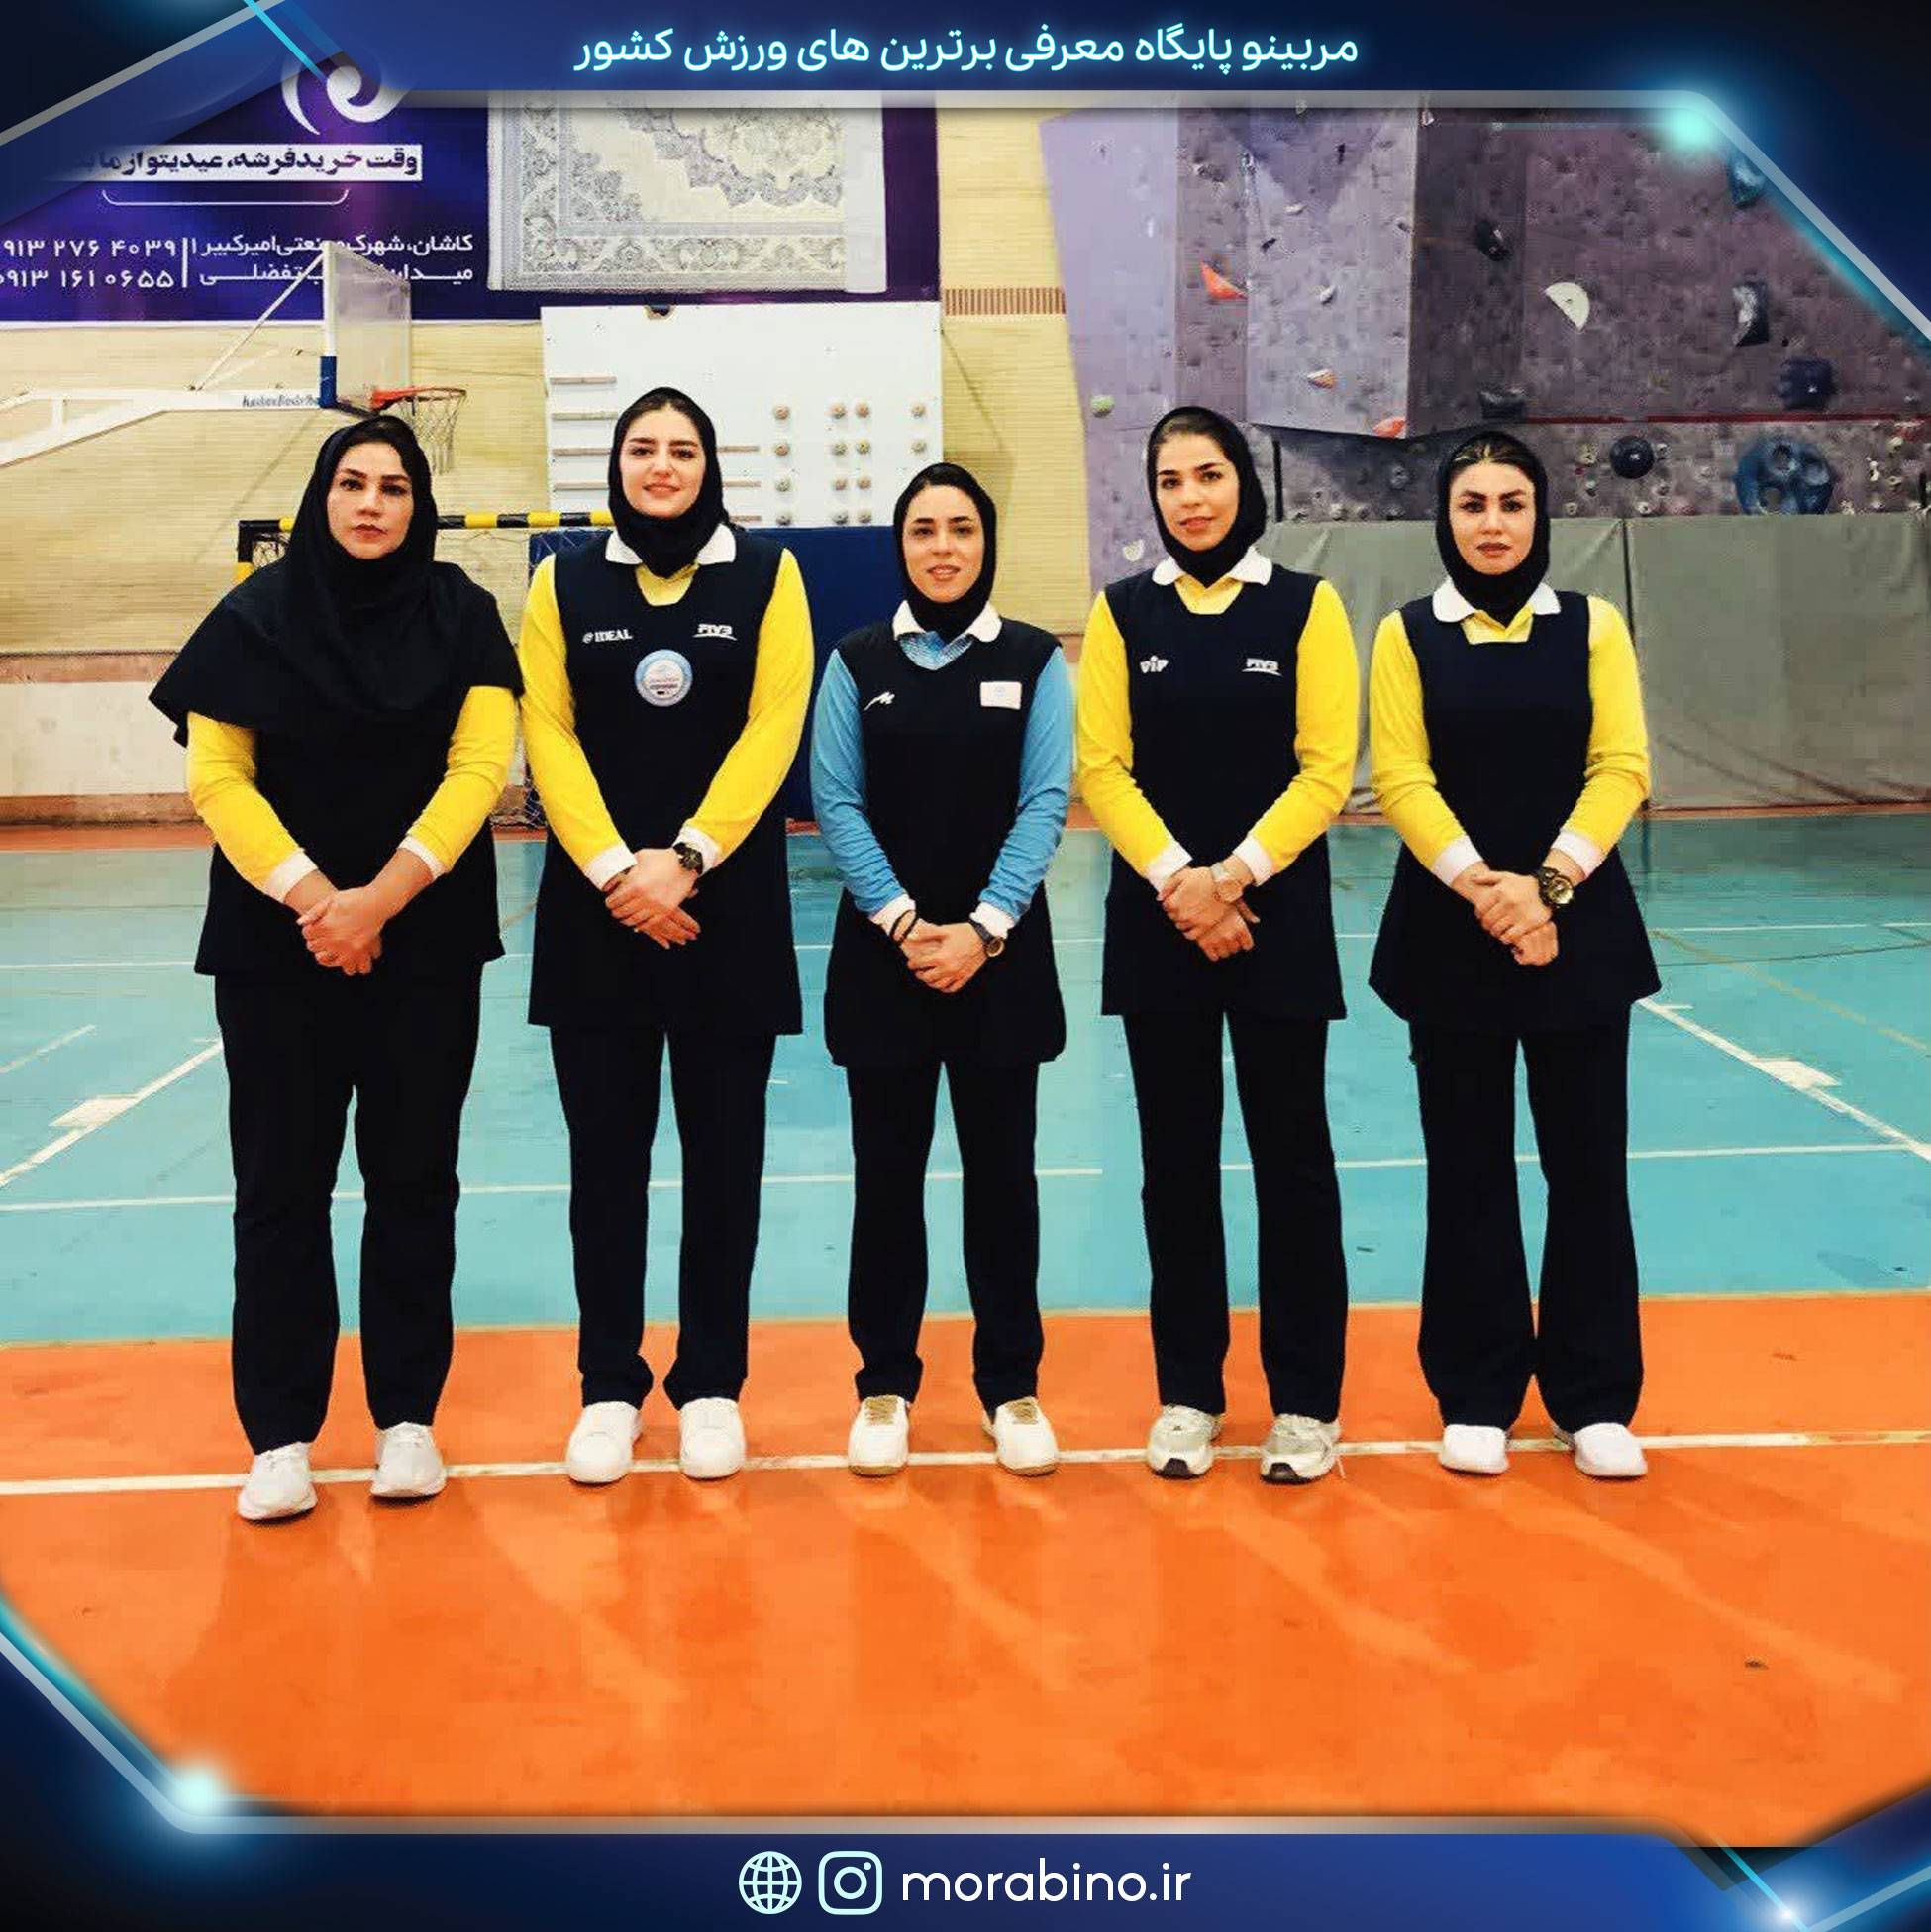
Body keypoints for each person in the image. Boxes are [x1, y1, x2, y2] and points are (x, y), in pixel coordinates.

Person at [151, 415, 520, 1522]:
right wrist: (320, 901)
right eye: (352, 484)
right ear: (321, 498)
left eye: (394, 487)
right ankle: (280, 1437)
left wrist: (379, 900)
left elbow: (478, 770)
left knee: (414, 1181)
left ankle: (407, 1419)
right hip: (277, 952)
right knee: (280, 1190)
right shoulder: (251, 617)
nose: (371, 503)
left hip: (425, 948)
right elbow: (218, 779)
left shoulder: (463, 616)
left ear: (419, 506)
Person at [518, 386, 812, 1485]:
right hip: (597, 920)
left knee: (725, 1162)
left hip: (725, 913)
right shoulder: (562, 582)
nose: (661, 466)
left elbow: (773, 725)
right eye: (642, 448)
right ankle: (608, 1384)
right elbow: (546, 730)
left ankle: (713, 1384)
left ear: (709, 466)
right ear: (617, 465)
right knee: (606, 1165)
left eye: (682, 449)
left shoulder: (768, 575)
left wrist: (685, 856)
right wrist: (613, 869)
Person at [1366, 430, 1660, 1480]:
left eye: (1512, 503)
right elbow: (1401, 777)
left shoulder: (1594, 626)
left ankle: (1595, 1397)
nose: (1492, 523)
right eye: (1472, 504)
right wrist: (1486, 891)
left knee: (1589, 1169)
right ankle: (1477, 1391)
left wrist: (1547, 888)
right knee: (1468, 1168)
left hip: (1579, 933)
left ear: (1540, 516)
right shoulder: (1407, 634)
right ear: (1445, 520)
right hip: (1451, 937)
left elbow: (1622, 765)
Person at [1075, 405, 1358, 1484]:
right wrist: (1179, 885)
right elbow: (1104, 768)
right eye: (1171, 480)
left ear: (1245, 482)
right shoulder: (1121, 613)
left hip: (1276, 924)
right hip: (1162, 931)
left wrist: (1232, 877)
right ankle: (1189, 1392)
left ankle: (1306, 1404)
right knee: (1176, 1168)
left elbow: (1326, 769)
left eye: (1209, 475)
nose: (1191, 498)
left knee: (1294, 1166)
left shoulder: (1305, 606)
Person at [811, 462, 1072, 1477]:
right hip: (888, 963)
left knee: (1004, 1183)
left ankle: (1012, 1387)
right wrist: (907, 921)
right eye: (924, 530)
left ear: (987, 542)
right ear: (901, 545)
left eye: (962, 528)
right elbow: (837, 800)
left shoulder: (1035, 659)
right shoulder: (856, 659)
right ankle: (883, 1385)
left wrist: (984, 928)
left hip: (999, 962)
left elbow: (1045, 799)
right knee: (887, 1183)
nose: (944, 547)